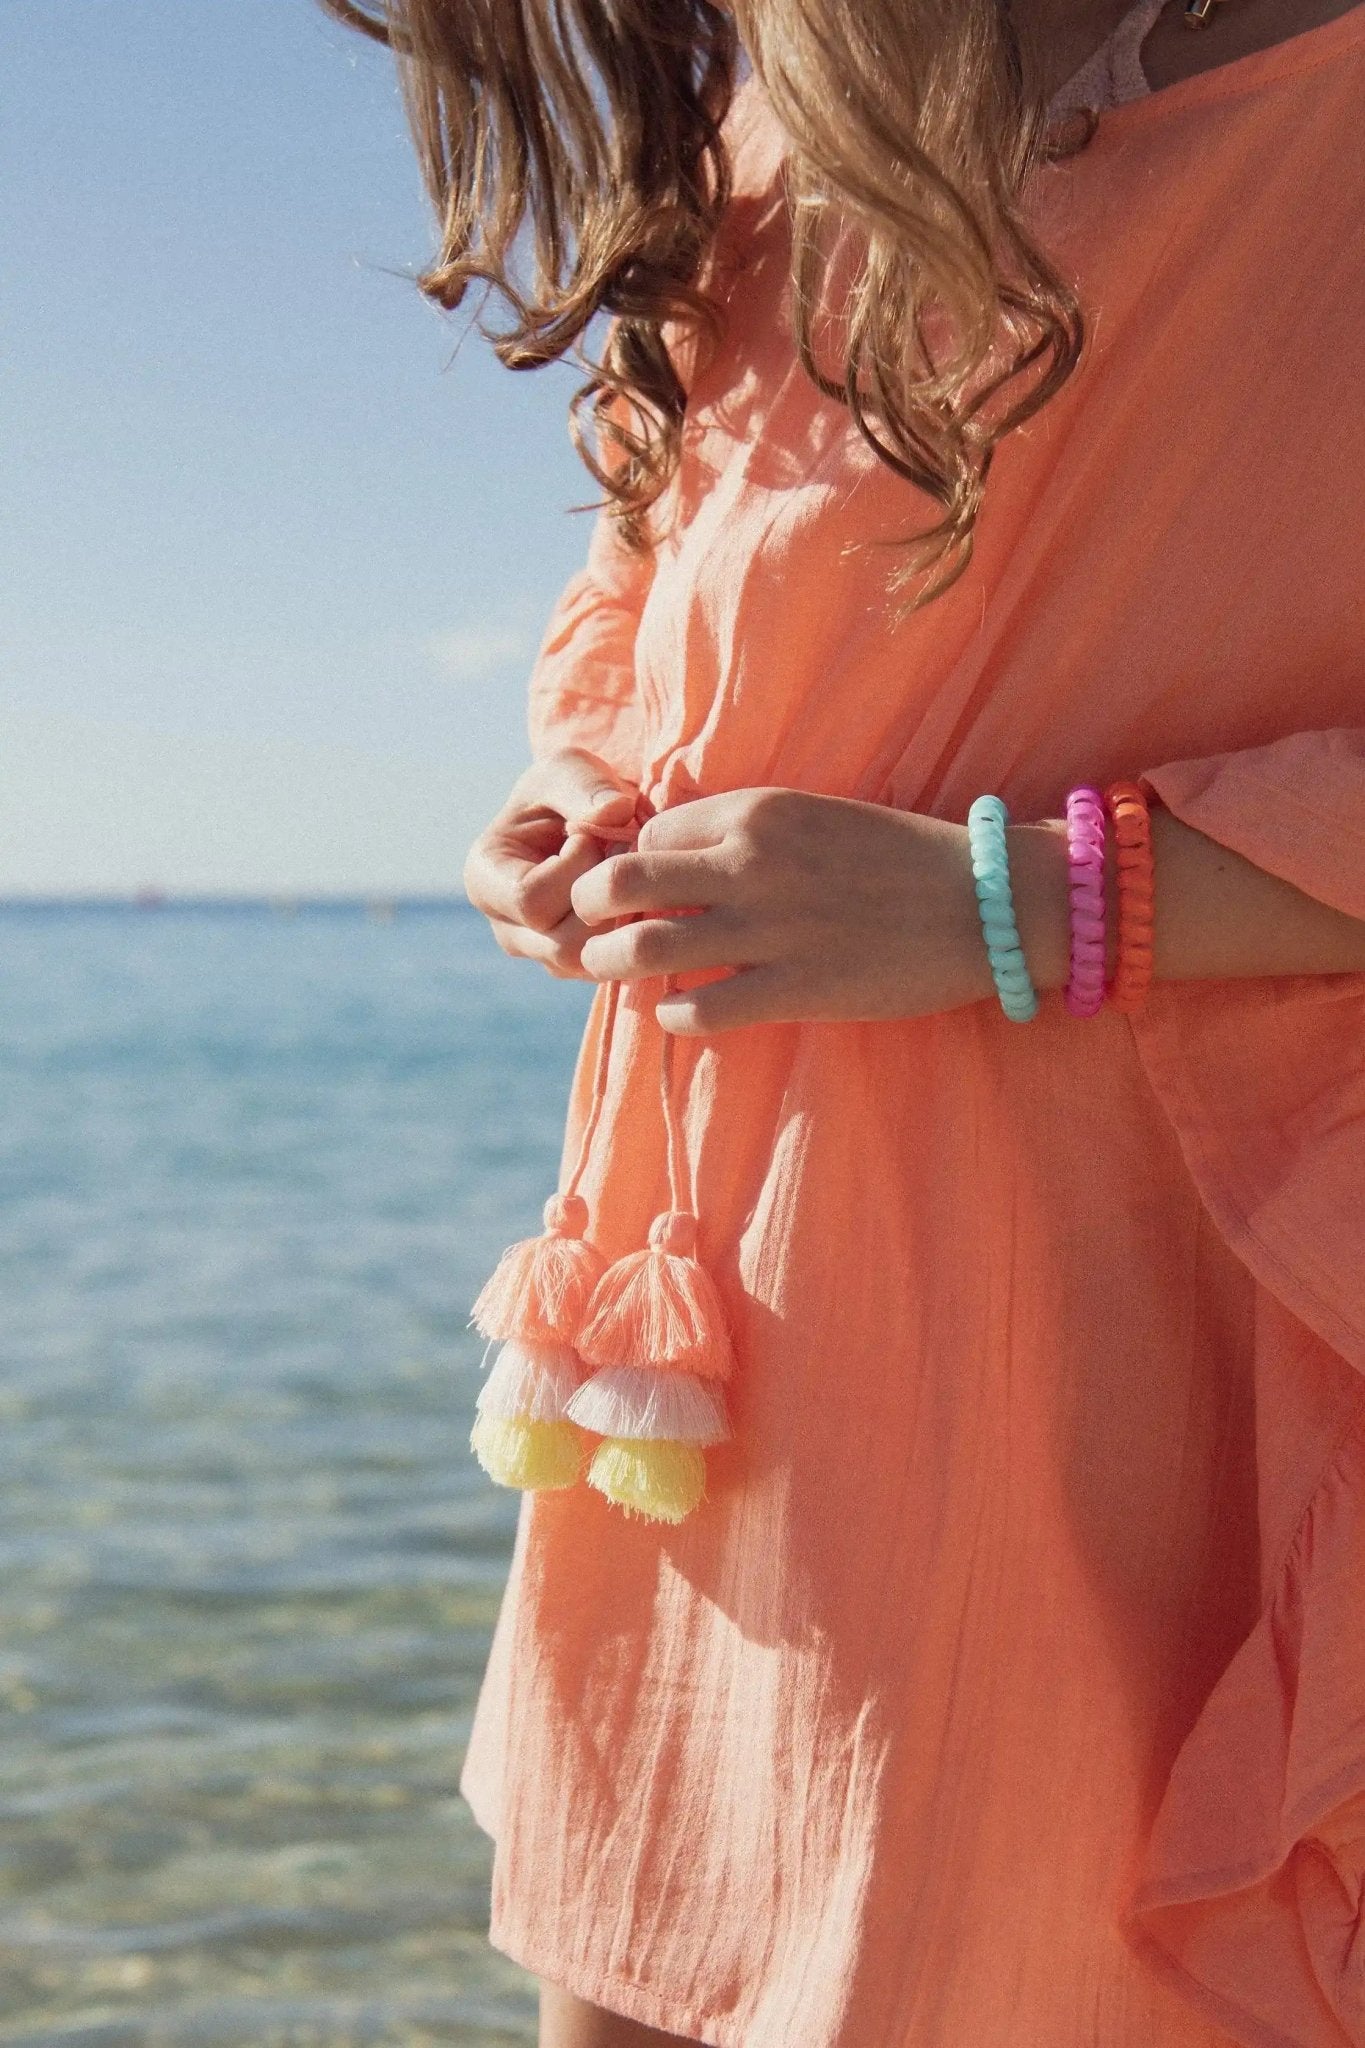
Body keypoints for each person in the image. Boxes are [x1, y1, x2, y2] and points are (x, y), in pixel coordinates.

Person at [324, 0, 1365, 2041]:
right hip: (711, 1317)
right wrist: (568, 788)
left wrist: (1016, 899)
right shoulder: (750, 137)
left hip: (1150, 1316)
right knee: (641, 1957)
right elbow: (641, 590)